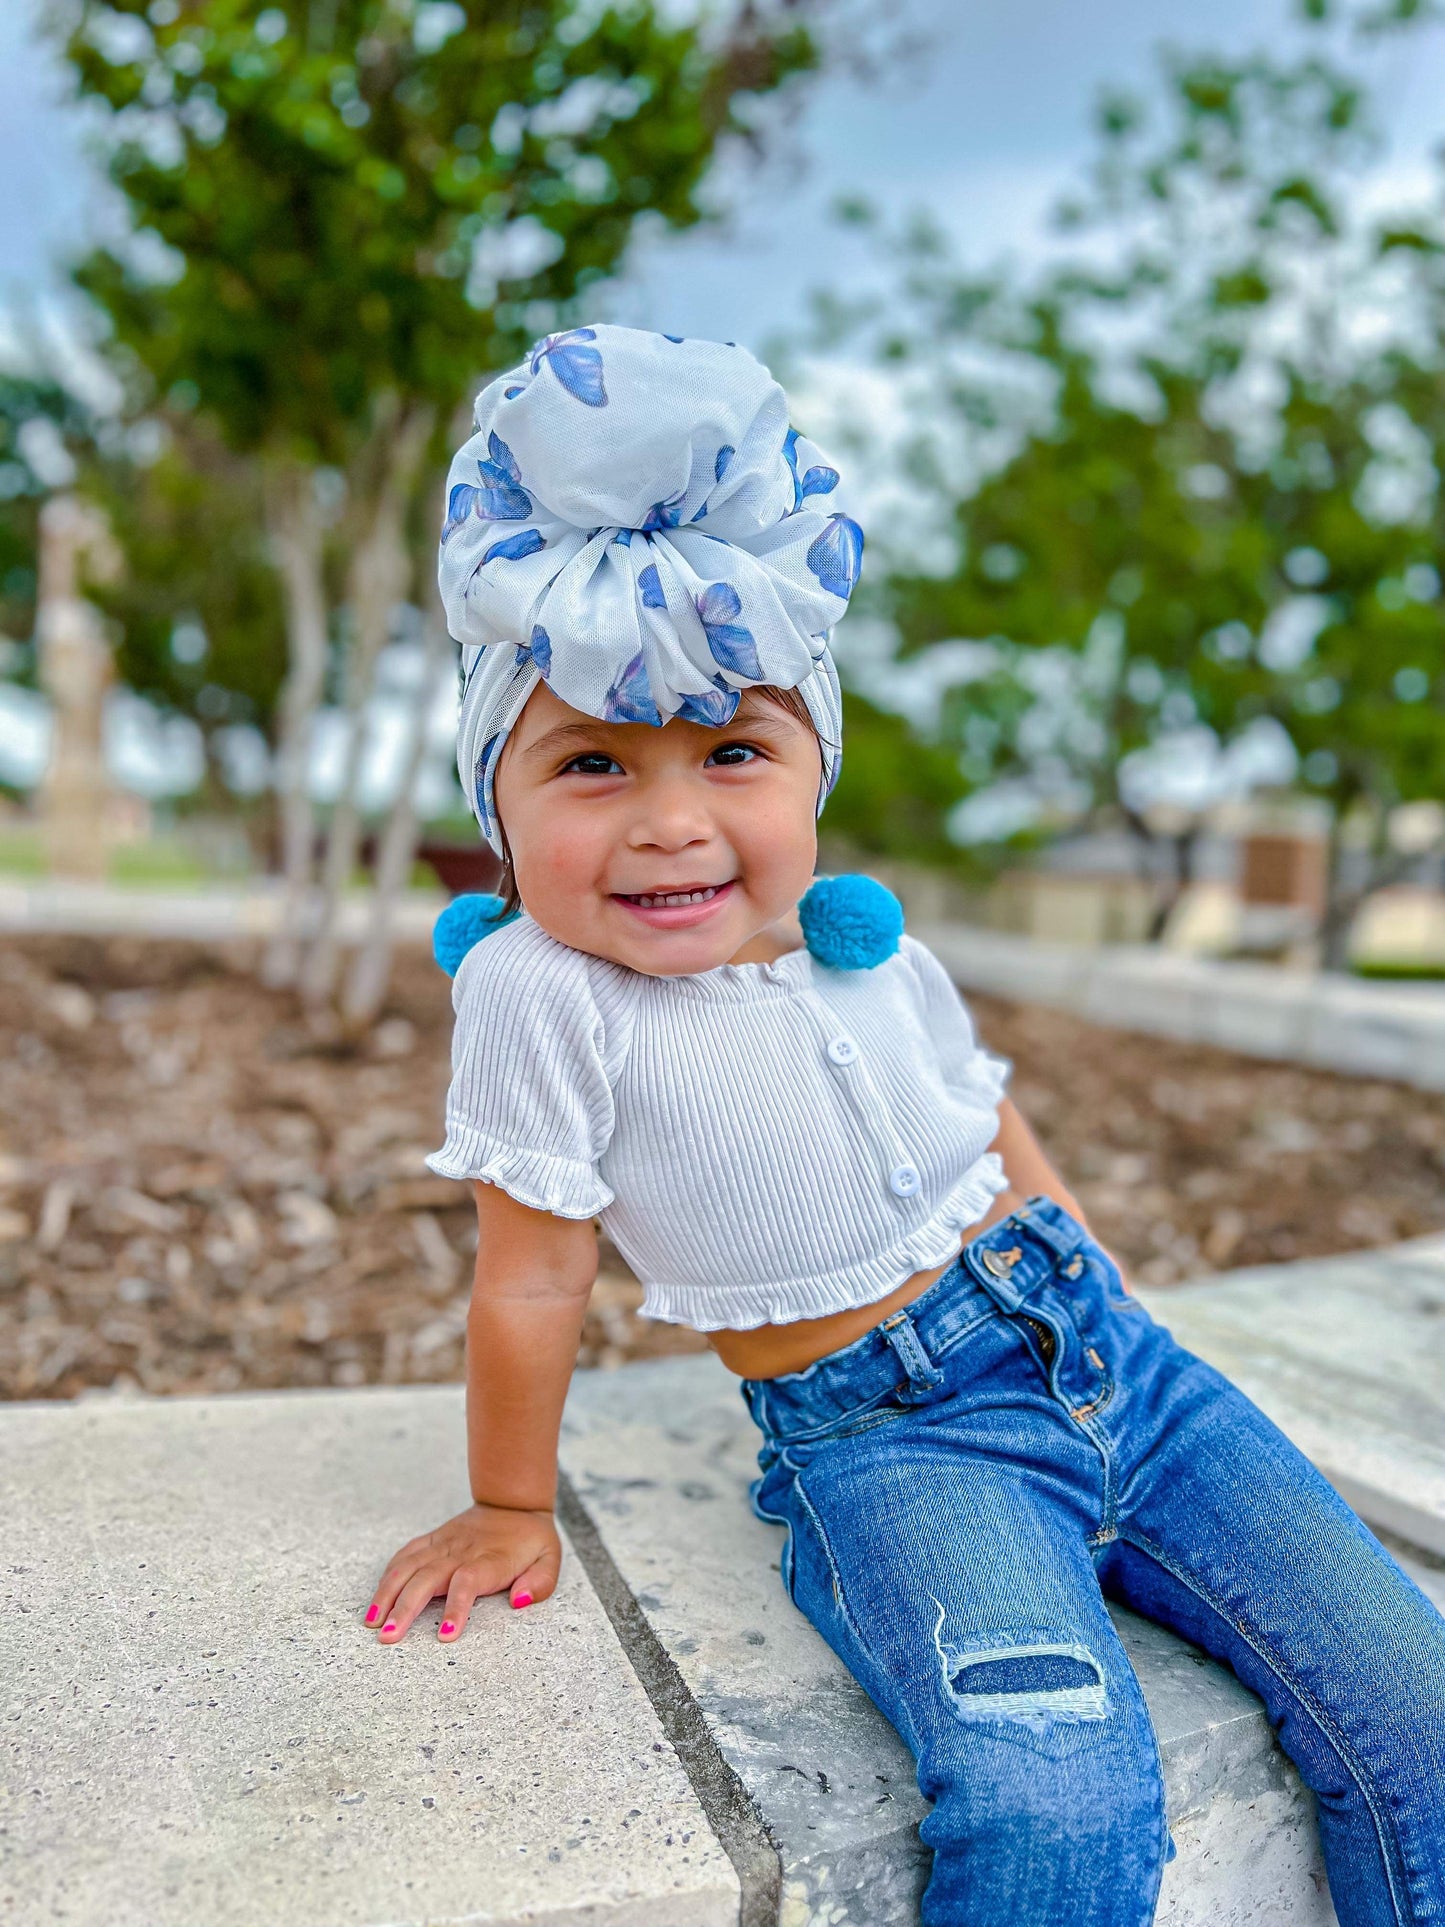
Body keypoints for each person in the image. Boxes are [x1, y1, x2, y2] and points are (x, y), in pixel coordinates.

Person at [365, 325, 1445, 1927]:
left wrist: (1110, 1293)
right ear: (500, 819)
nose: (671, 818)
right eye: (591, 763)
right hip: (898, 1438)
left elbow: (987, 1122)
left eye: (733, 751)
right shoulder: (545, 995)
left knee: (1415, 1706)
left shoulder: (873, 949)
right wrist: (513, 1502)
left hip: (1113, 1362)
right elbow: (531, 1279)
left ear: (810, 772)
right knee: (1058, 1799)